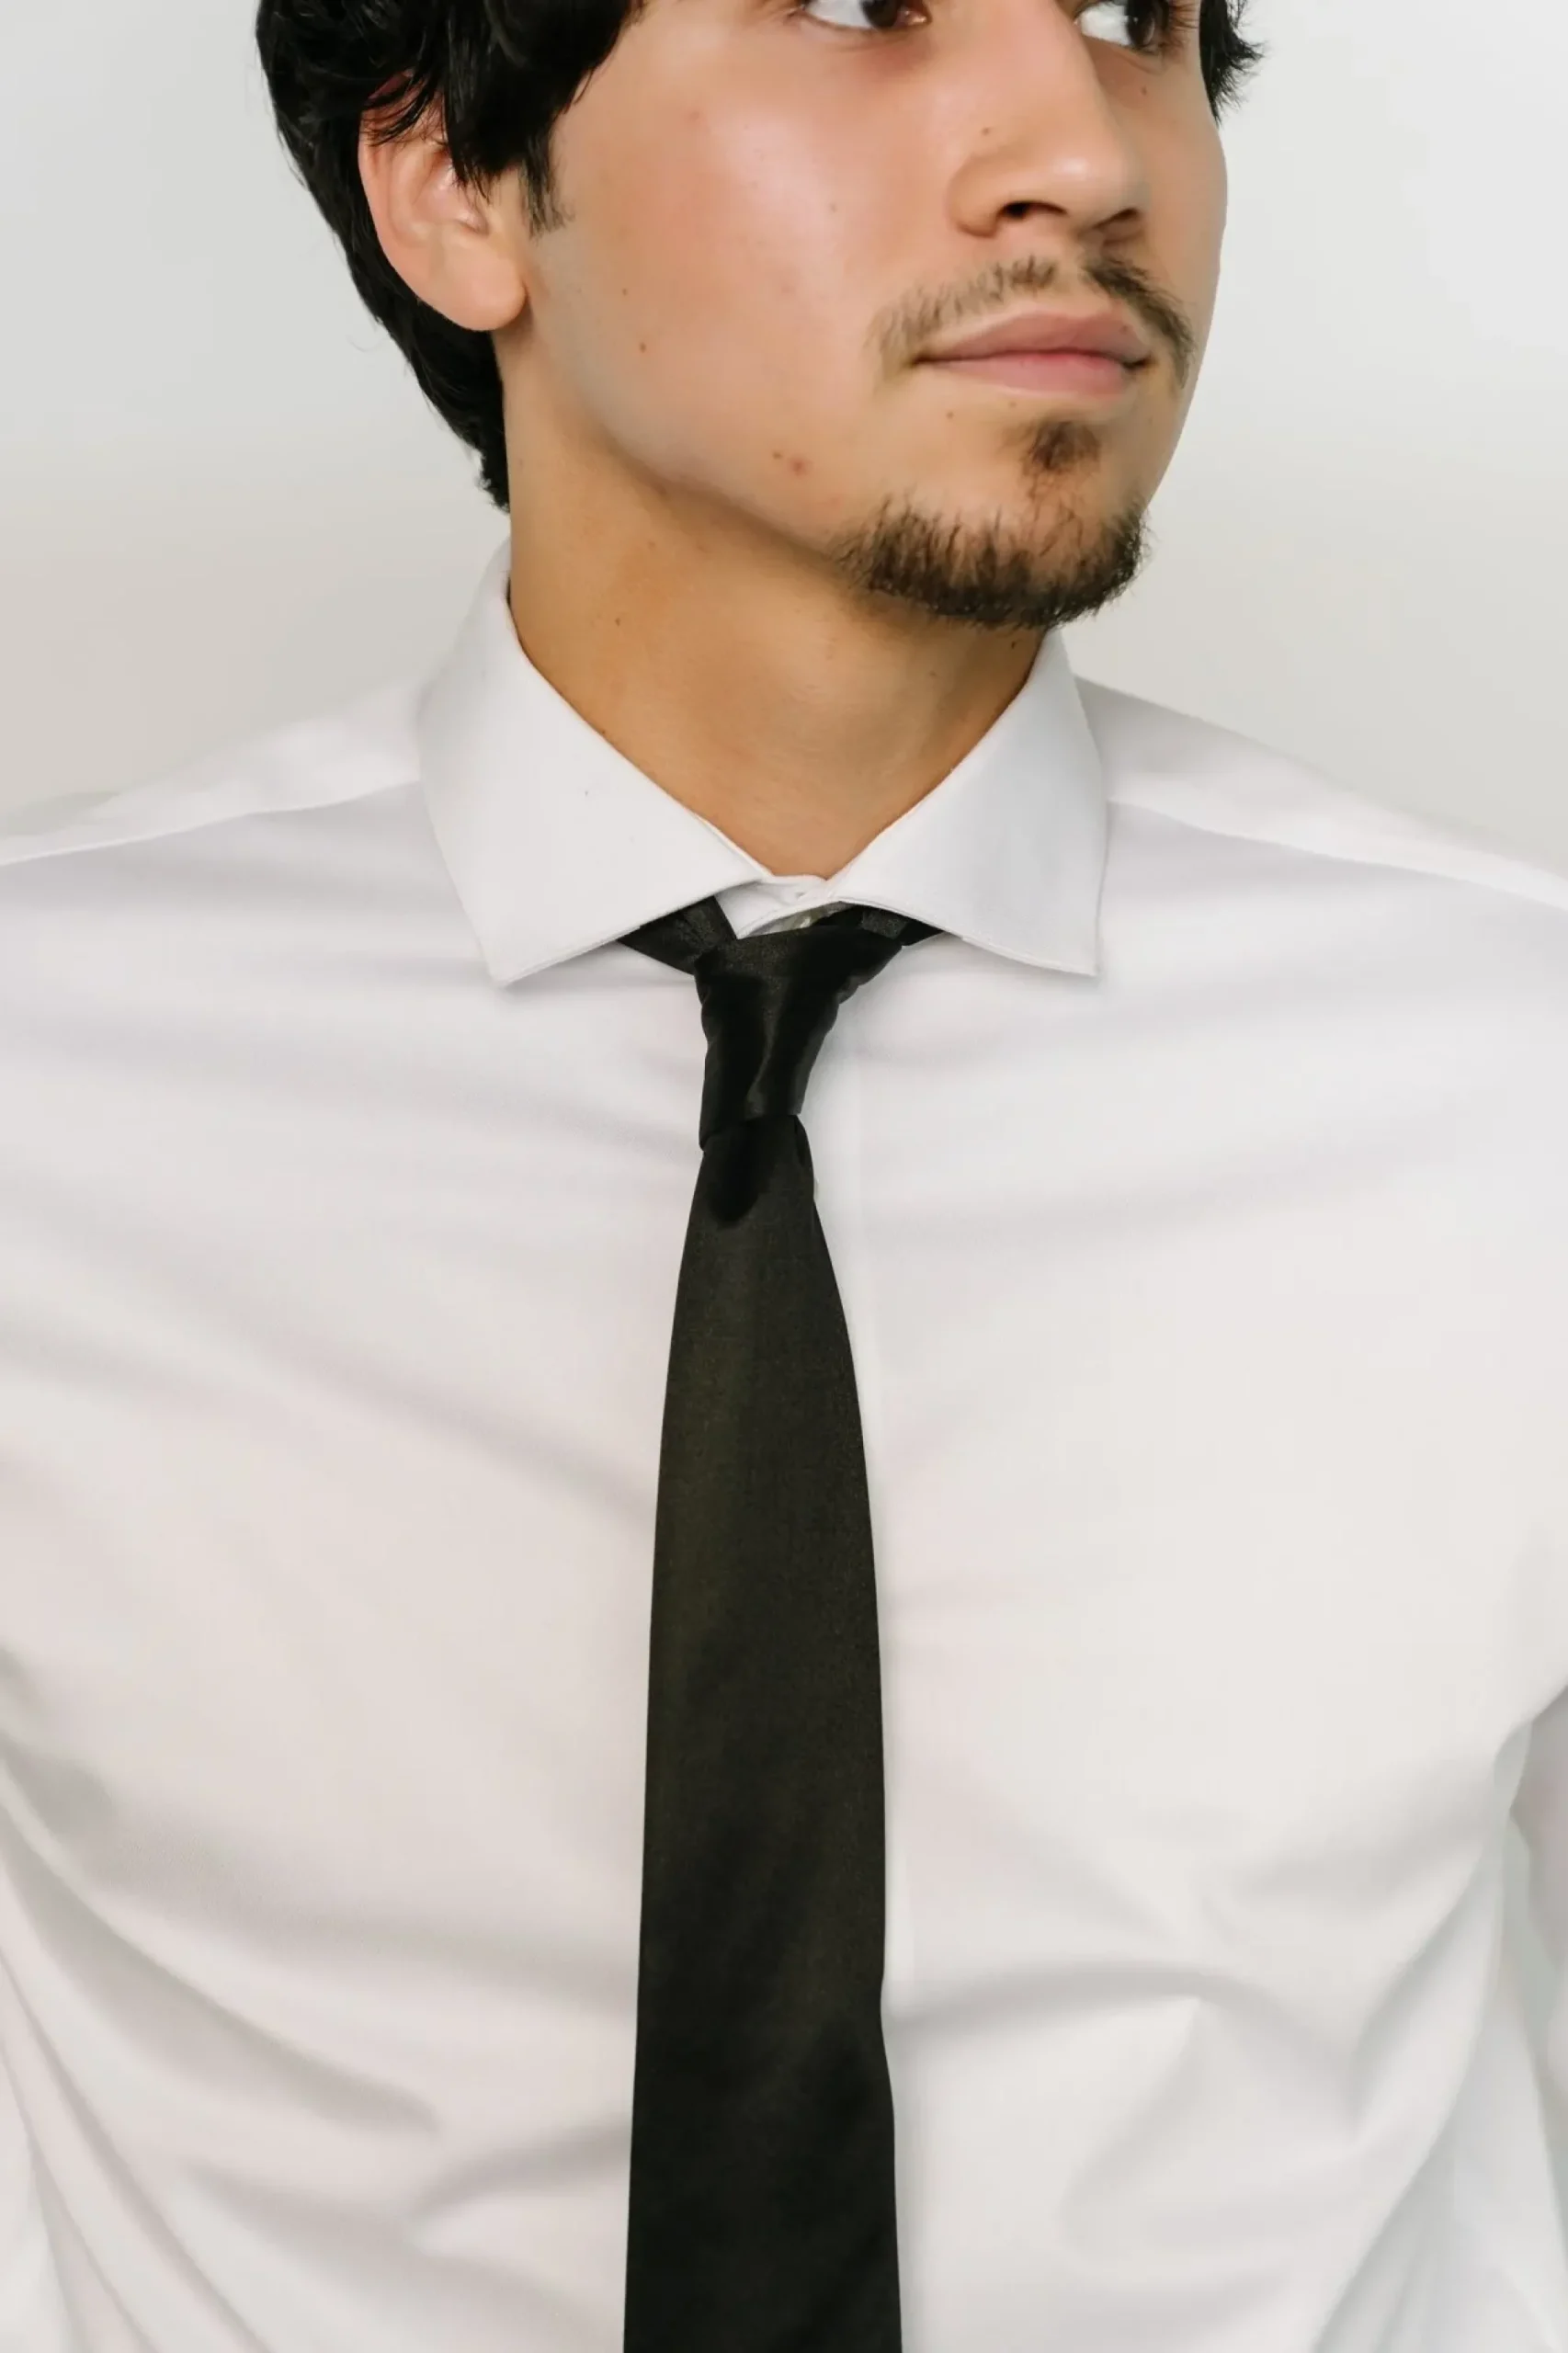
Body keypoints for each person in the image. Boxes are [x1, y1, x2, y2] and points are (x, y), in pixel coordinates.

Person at [2, 0, 1567, 2347]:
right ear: (451, 179)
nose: (1083, 151)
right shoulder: (47, 1074)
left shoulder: (1511, 1066)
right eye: (856, 5)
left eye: (1140, 20)